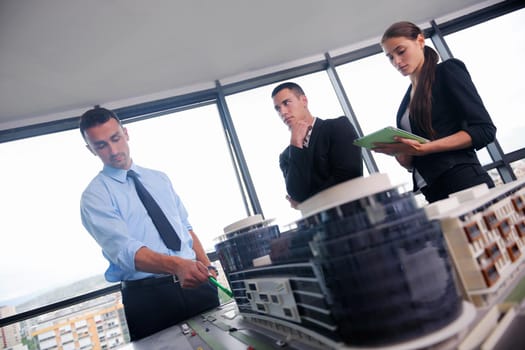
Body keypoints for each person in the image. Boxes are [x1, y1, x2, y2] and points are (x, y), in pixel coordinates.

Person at [79, 106, 219, 341]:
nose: (113, 151)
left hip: (198, 283)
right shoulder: (95, 196)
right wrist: (176, 266)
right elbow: (126, 252)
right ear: (90, 149)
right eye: (101, 145)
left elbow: (185, 228)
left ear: (126, 133)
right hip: (149, 300)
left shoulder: (159, 179)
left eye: (115, 138)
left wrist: (208, 267)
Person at [374, 21, 496, 203]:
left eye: (400, 51)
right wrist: (404, 156)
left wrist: (426, 148)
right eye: (390, 57)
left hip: (463, 182)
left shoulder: (447, 71)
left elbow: (484, 130)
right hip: (432, 191)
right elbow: (419, 152)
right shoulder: (406, 100)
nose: (397, 62)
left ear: (420, 41)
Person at [272, 82, 363, 208]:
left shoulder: (337, 127)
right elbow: (296, 194)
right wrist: (296, 144)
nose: (282, 111)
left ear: (304, 100)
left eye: (286, 103)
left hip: (356, 217)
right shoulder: (287, 155)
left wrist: (307, 203)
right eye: (277, 108)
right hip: (319, 225)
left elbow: (348, 176)